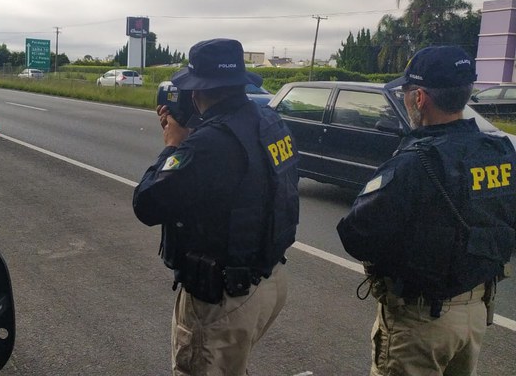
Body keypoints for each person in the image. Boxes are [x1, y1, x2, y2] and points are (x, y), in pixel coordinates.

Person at [337, 45, 516, 376]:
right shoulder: (501, 150)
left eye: (407, 92)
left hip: (422, 322)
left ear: (419, 98)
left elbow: (356, 234)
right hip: (475, 312)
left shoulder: (416, 161)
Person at [132, 38, 300, 375]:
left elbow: (147, 203)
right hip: (267, 282)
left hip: (224, 299)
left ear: (197, 93)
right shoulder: (267, 121)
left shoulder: (207, 145)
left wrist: (173, 147)